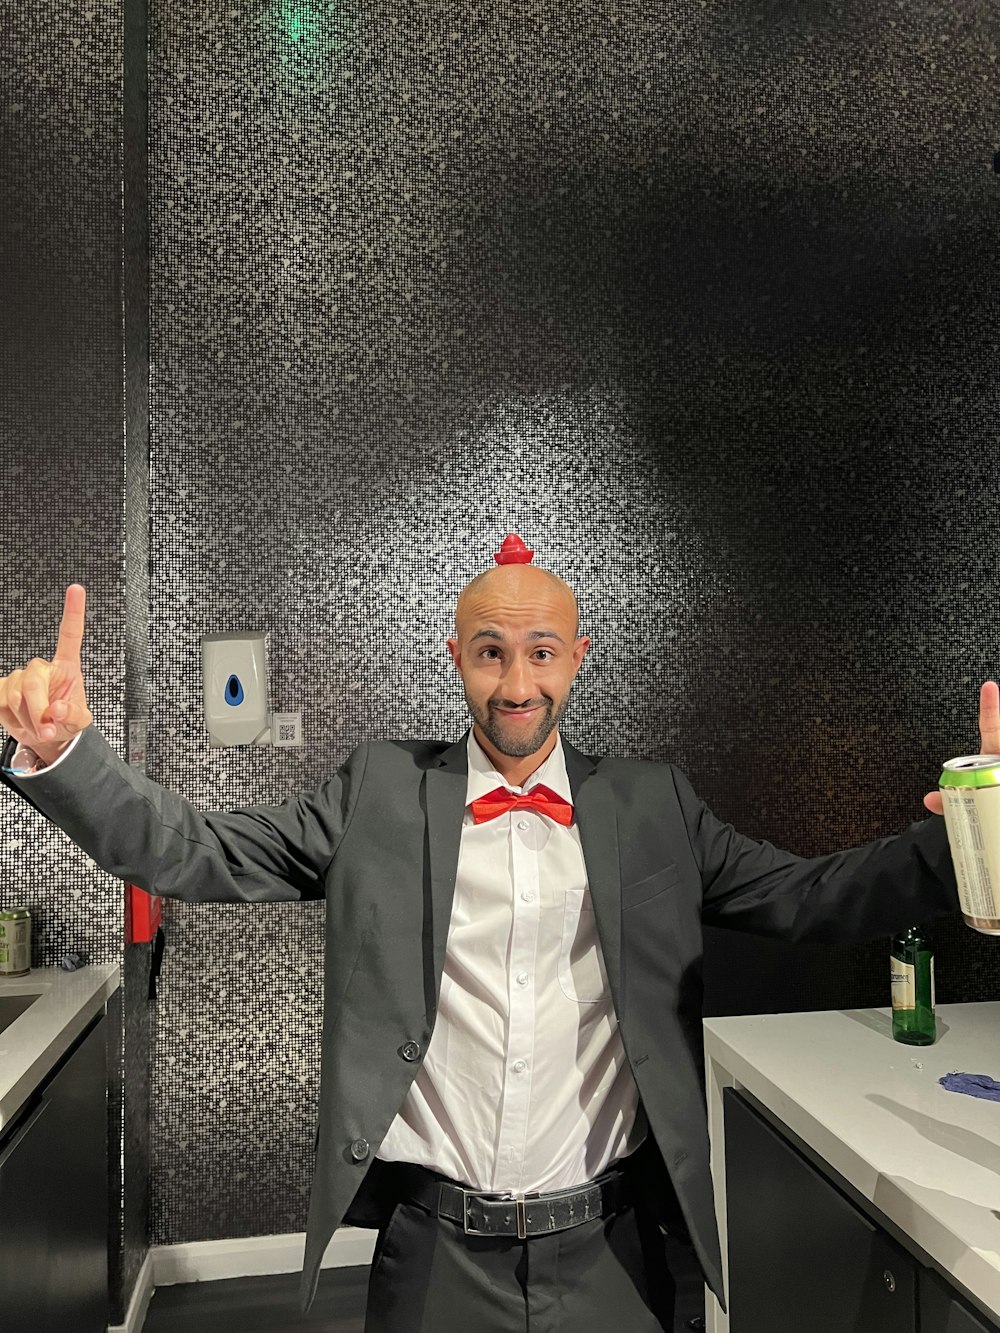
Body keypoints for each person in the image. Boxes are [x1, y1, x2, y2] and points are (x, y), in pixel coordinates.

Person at [0, 538, 973, 1333]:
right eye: (491, 651)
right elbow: (198, 852)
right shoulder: (379, 790)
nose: (517, 682)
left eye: (541, 651)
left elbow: (811, 896)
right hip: (434, 1259)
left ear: (578, 657)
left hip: (615, 1254)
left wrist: (964, 837)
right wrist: (69, 761)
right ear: (455, 656)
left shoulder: (650, 805)